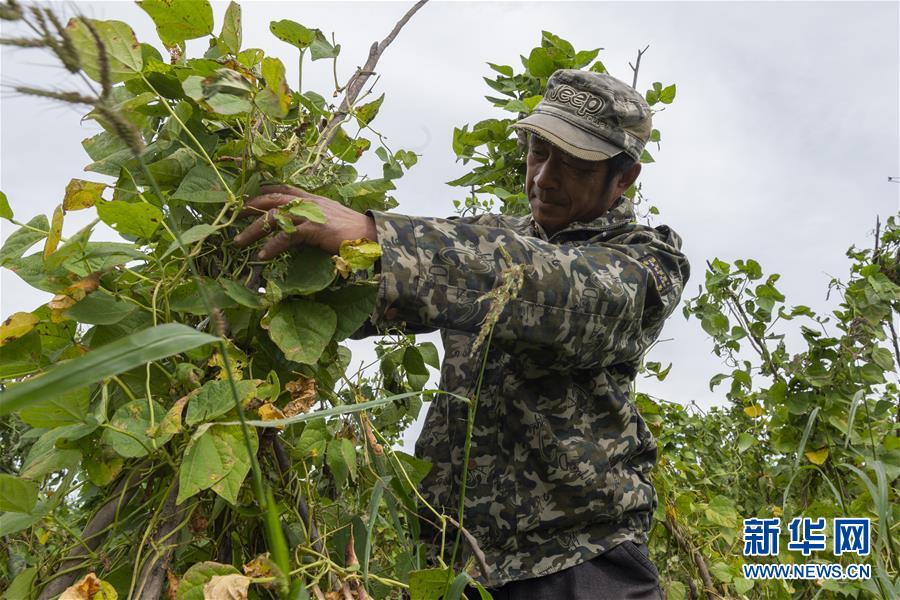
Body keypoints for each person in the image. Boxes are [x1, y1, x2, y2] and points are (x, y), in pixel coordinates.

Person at [234, 69, 690, 599]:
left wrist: (375, 233)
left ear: (624, 178)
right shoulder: (493, 236)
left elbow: (555, 288)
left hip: (581, 562)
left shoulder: (647, 261)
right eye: (539, 152)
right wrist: (273, 263)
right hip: (458, 567)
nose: (544, 177)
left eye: (572, 164)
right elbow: (367, 303)